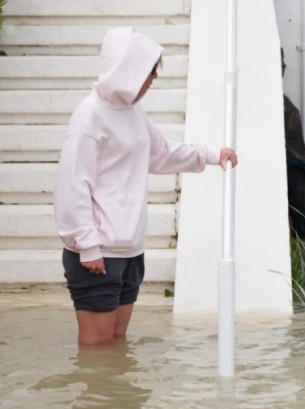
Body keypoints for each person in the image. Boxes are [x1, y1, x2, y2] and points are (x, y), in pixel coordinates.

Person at [54, 27, 238, 346]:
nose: (153, 80)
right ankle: (96, 399)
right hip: (98, 253)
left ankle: (120, 398)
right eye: (150, 72)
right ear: (128, 70)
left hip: (130, 250)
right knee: (96, 349)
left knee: (116, 343)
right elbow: (73, 184)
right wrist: (87, 244)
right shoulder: (89, 116)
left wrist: (211, 154)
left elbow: (161, 154)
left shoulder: (132, 113)